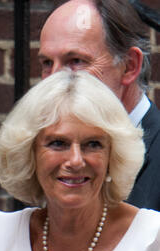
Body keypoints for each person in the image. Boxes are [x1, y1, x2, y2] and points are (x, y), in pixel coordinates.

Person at [0, 70, 160, 251]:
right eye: (58, 143)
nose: (76, 160)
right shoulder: (0, 237)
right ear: (29, 154)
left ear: (113, 156)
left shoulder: (151, 239)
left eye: (93, 144)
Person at [38, 0, 160, 211]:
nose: (54, 79)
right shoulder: (42, 152)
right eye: (47, 64)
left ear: (129, 66)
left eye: (75, 61)